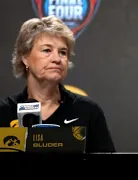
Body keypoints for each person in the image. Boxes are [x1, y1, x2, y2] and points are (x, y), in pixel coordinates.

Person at [0, 15, 116, 153]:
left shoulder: (87, 111)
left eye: (63, 52)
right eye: (47, 50)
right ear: (25, 58)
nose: (57, 59)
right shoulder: (4, 112)